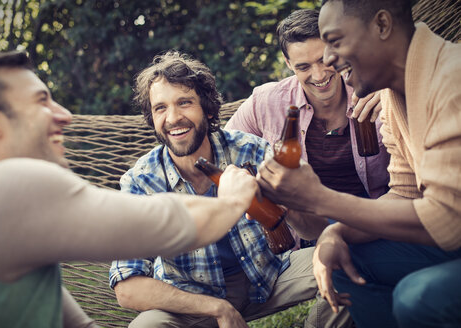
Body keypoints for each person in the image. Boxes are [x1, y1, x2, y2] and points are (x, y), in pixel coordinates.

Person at [0, 51, 259, 328]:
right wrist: (233, 200)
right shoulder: (3, 187)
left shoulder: (1, 207)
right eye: (41, 101)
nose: (65, 115)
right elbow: (167, 223)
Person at [109, 51, 351, 328]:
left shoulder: (250, 149)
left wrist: (288, 205)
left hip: (267, 276)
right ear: (151, 118)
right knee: (145, 327)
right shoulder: (141, 181)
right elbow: (127, 288)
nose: (173, 117)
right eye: (160, 108)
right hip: (192, 299)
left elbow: (313, 229)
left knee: (349, 261)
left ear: (208, 109)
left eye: (184, 103)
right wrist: (217, 308)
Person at [256, 1, 461, 327]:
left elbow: (449, 222)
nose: (329, 62)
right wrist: (336, 232)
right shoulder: (395, 96)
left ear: (381, 26)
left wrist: (318, 199)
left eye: (334, 42)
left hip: (450, 234)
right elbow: (405, 192)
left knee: (416, 296)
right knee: (341, 256)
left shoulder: (452, 80)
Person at [225, 9, 390, 248]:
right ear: (288, 63)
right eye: (303, 67)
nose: (319, 75)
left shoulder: (372, 88)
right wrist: (244, 179)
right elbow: (224, 146)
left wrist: (393, 98)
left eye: (323, 60)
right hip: (307, 231)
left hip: (372, 216)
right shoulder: (267, 101)